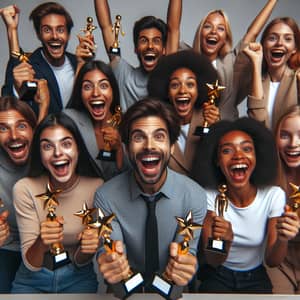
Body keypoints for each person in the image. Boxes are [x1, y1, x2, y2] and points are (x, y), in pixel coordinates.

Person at [94, 98, 206, 293]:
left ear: (171, 146)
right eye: (139, 137)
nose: (149, 146)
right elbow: (117, 282)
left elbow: (183, 268)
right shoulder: (106, 197)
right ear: (127, 148)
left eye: (159, 136)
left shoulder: (194, 196)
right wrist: (112, 267)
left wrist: (184, 268)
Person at [192, 117, 300, 293]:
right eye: (227, 150)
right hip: (218, 275)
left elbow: (273, 261)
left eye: (247, 148)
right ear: (217, 160)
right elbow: (213, 260)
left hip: (255, 277)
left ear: (257, 156)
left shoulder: (273, 196)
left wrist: (282, 238)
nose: (238, 156)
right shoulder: (210, 195)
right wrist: (225, 241)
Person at [12, 112, 103, 293]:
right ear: (40, 153)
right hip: (32, 280)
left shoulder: (97, 188)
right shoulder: (24, 188)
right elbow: (31, 264)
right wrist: (42, 242)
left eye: (66, 144)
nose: (58, 153)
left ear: (78, 148)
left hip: (78, 277)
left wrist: (88, 248)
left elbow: (80, 260)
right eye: (47, 146)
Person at [0, 84, 49, 293]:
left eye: (21, 126)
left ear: (33, 130)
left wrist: (44, 106)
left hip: (43, 246)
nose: (13, 135)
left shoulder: (49, 157)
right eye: (2, 128)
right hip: (7, 249)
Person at [192, 0, 277, 120]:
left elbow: (252, 33)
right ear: (200, 32)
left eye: (221, 28)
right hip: (191, 135)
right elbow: (173, 29)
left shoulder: (231, 63)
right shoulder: (187, 62)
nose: (213, 31)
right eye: (207, 26)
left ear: (226, 38)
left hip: (226, 133)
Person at [94, 0, 182, 111]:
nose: (150, 46)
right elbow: (106, 26)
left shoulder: (168, 75)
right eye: (144, 40)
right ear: (136, 48)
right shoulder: (122, 72)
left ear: (164, 49)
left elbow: (173, 29)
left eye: (156, 41)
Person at [148, 50, 218, 176]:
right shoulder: (157, 126)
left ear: (199, 90)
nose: (182, 90)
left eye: (190, 84)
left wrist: (217, 131)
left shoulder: (211, 120)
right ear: (167, 92)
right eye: (175, 85)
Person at [1, 2, 78, 115]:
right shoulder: (26, 66)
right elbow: (7, 109)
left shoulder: (80, 63)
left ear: (68, 34)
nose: (55, 36)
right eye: (47, 30)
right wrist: (18, 90)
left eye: (60, 30)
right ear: (38, 34)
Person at [65, 60, 128, 181]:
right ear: (80, 92)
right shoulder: (70, 120)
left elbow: (133, 176)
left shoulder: (128, 124)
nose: (95, 93)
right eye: (87, 87)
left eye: (103, 86)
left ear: (113, 90)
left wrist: (119, 149)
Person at [243, 17, 300, 130]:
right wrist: (256, 63)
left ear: (294, 48)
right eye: (272, 38)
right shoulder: (256, 80)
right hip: (262, 146)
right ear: (263, 45)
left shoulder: (297, 79)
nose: (279, 43)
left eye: (287, 39)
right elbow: (257, 124)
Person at [267, 105, 300, 293]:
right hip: (278, 261)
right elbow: (271, 257)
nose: (293, 143)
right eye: (285, 135)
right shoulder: (266, 178)